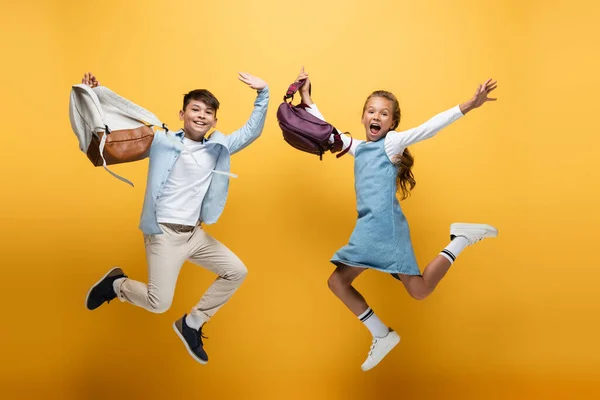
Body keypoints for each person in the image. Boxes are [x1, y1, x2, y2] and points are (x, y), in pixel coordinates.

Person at [296, 67, 498, 371]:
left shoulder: (391, 145)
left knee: (338, 281)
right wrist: (307, 97)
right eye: (371, 111)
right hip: (377, 228)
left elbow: (430, 127)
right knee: (419, 290)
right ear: (363, 117)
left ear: (393, 124)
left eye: (385, 113)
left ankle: (381, 333)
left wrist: (469, 104)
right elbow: (326, 130)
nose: (377, 117)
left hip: (383, 228)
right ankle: (460, 240)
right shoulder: (358, 148)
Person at [83, 71, 269, 365]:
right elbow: (125, 121)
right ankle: (117, 284)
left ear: (215, 121)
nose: (201, 115)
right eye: (195, 109)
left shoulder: (217, 147)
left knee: (237, 271)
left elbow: (250, 132)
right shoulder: (162, 140)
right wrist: (96, 93)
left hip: (194, 234)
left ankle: (192, 323)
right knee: (159, 304)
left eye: (209, 112)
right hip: (164, 234)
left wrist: (264, 94)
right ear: (182, 114)